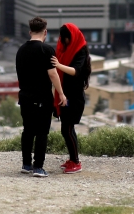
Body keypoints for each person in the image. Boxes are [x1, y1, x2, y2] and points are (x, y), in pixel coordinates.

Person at [15, 16, 66, 178]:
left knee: (28, 130)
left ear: (30, 32)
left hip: (24, 96)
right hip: (42, 97)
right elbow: (52, 74)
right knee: (42, 132)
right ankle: (38, 167)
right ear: (45, 32)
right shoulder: (47, 50)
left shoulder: (21, 50)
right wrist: (61, 93)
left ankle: (26, 164)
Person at [51, 23, 91, 174]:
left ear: (72, 38)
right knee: (66, 129)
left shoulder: (80, 51)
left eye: (66, 39)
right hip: (65, 94)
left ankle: (76, 161)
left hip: (74, 96)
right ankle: (73, 159)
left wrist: (59, 65)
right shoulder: (65, 48)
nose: (64, 42)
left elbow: (76, 71)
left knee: (67, 129)